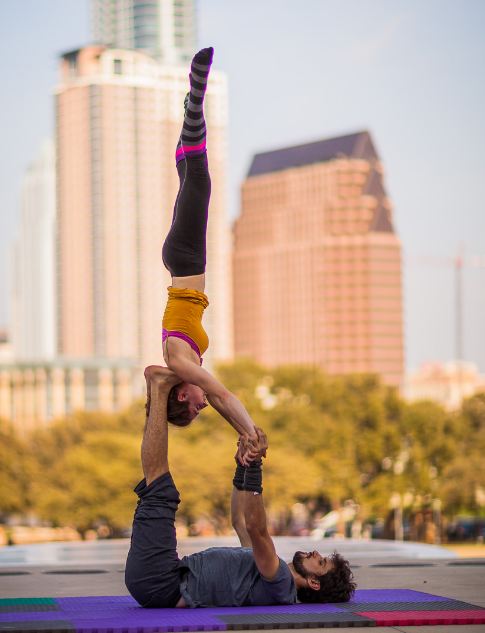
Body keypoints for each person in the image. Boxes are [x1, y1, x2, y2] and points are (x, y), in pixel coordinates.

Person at [124, 365, 356, 608]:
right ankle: (160, 387)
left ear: (314, 583)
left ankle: (160, 388)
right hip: (165, 578)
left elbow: (257, 528)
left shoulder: (280, 583)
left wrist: (255, 465)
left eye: (321, 563)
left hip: (162, 584)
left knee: (160, 492)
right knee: (159, 492)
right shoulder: (265, 568)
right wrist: (242, 466)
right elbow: (241, 523)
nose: (316, 554)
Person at [160, 46, 258, 452]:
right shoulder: (183, 362)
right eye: (201, 410)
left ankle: (194, 102)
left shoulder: (179, 363)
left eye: (194, 408)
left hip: (185, 262)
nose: (201, 406)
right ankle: (189, 121)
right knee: (192, 180)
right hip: (184, 263)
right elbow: (214, 395)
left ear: (182, 395)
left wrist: (248, 432)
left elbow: (220, 396)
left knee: (199, 182)